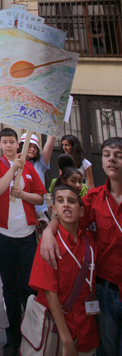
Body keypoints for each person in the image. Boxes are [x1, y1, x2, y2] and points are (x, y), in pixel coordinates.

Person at [40, 137, 122, 356]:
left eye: (118, 155)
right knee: (108, 349)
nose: (111, 160)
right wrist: (48, 231)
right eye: (107, 155)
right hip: (105, 290)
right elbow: (69, 213)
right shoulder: (95, 199)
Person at [0, 128, 46, 356]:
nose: (9, 145)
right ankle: (13, 337)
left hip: (27, 236)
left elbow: (40, 197)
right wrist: (13, 169)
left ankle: (32, 336)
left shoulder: (29, 168)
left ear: (17, 144)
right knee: (9, 287)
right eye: (5, 141)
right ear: (1, 144)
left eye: (12, 141)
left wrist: (23, 195)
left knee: (29, 287)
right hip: (4, 236)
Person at [29, 185, 98, 356]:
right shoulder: (49, 244)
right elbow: (49, 291)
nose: (66, 204)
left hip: (87, 330)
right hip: (57, 333)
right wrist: (66, 340)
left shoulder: (91, 242)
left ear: (81, 211)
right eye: (60, 201)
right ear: (54, 209)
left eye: (72, 201)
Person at [19, 132, 56, 221]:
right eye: (29, 146)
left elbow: (50, 144)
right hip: (21, 211)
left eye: (35, 147)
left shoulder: (40, 162)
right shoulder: (15, 162)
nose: (32, 149)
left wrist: (53, 126)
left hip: (39, 211)